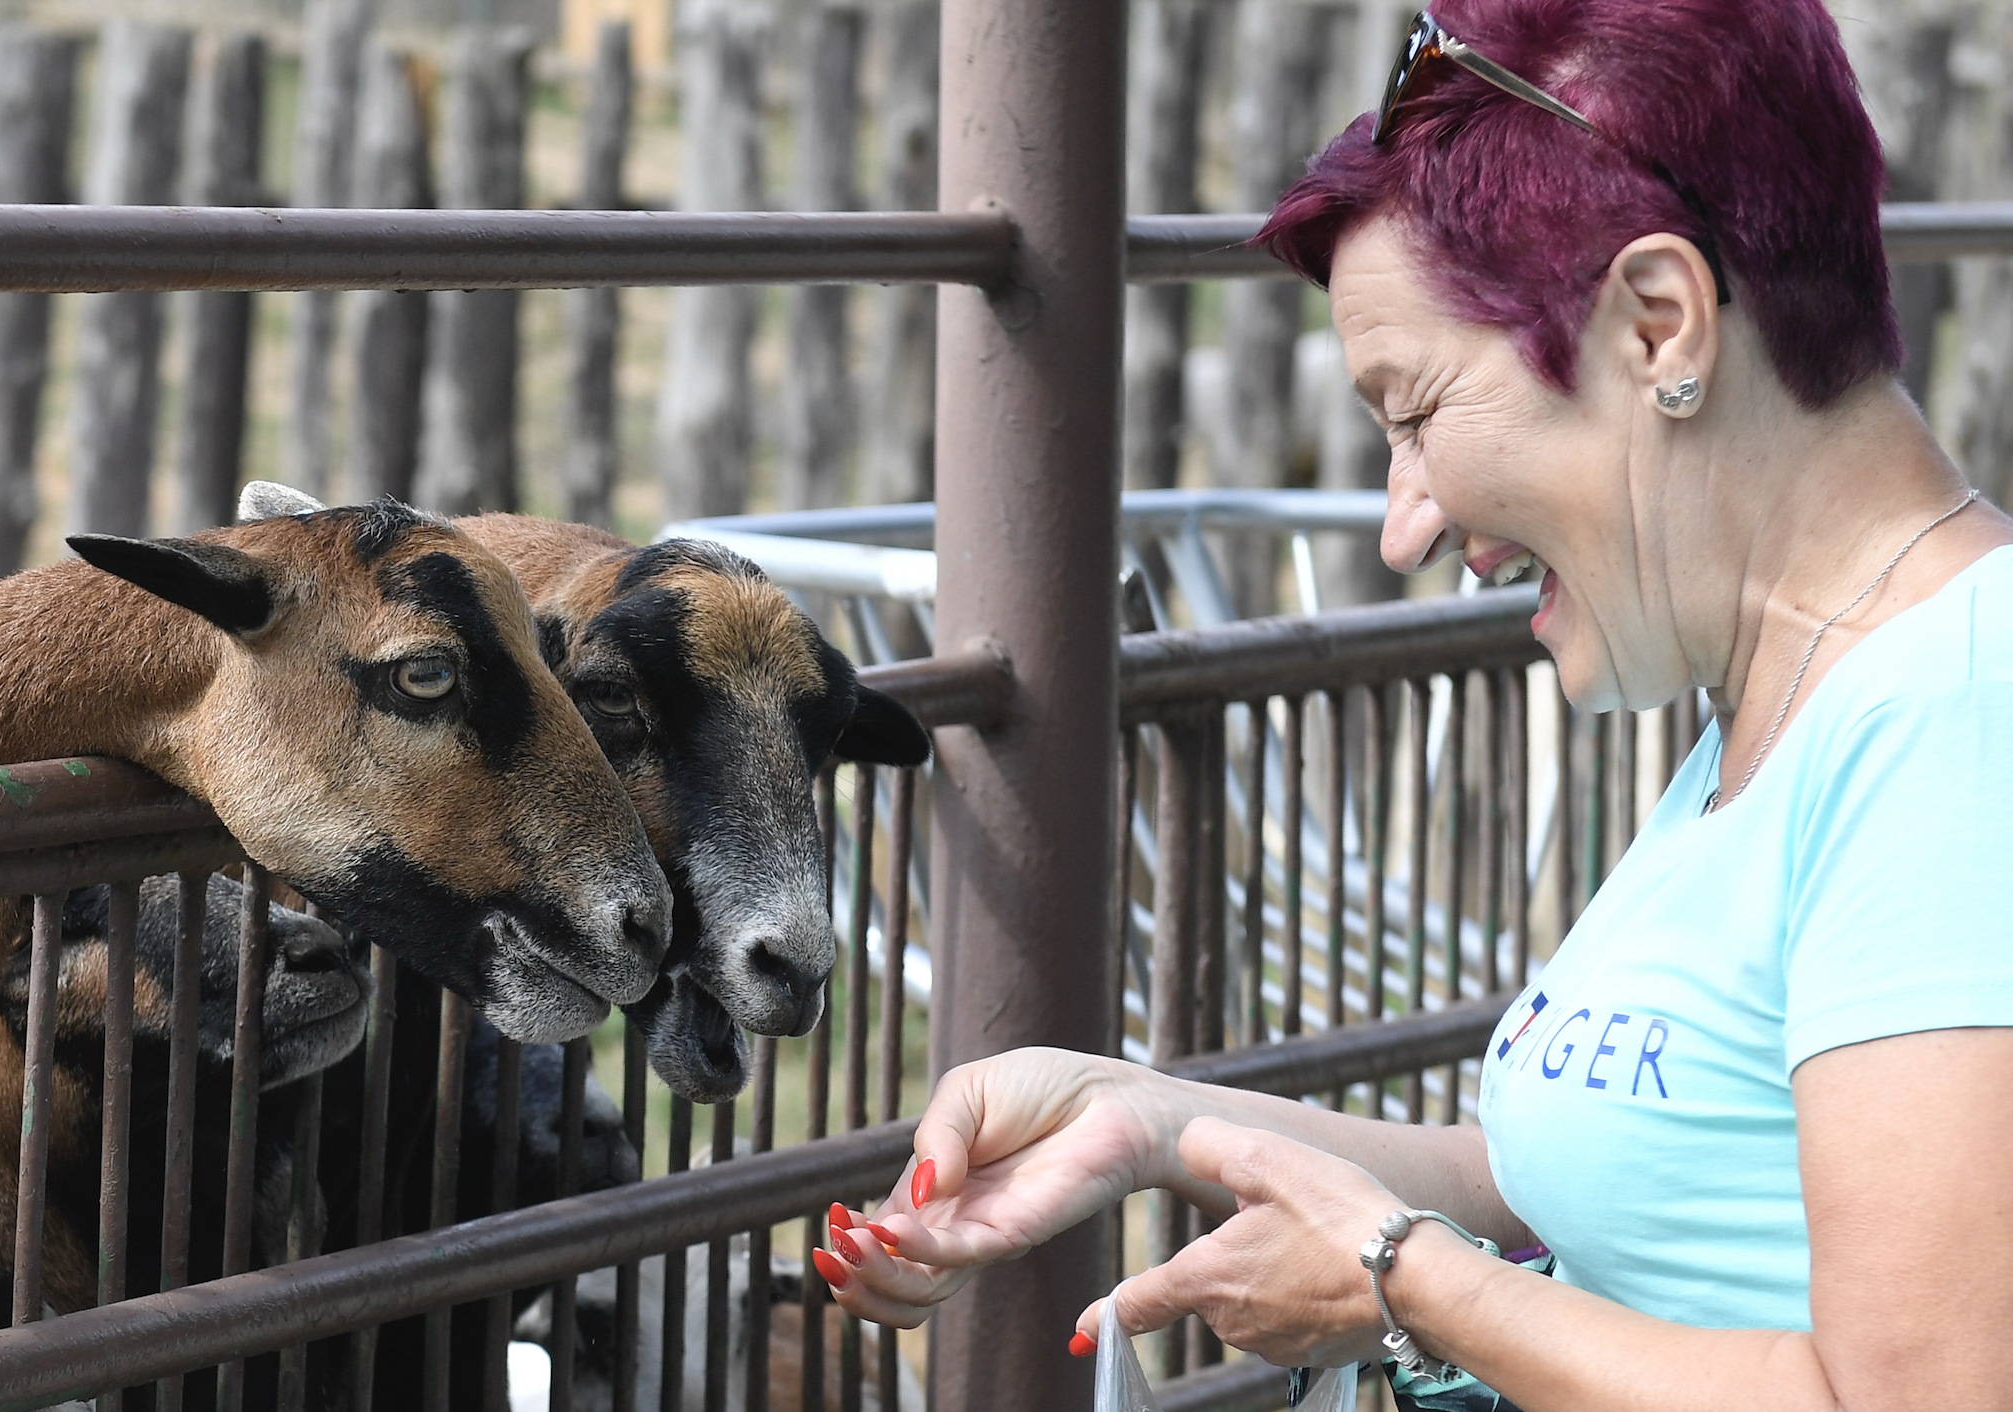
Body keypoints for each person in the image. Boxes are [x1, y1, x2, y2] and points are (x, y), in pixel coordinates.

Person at [812, 2, 2013, 1409]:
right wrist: (1136, 1118)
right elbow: (1581, 1182)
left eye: (1416, 409)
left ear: (1658, 323)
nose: (1404, 523)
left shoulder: (1956, 713)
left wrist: (1406, 1281)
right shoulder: (1808, 692)